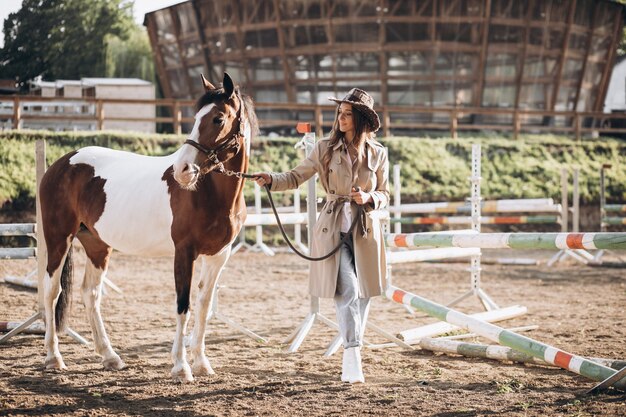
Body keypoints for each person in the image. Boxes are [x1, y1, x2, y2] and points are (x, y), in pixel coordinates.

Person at [252, 88, 389, 384]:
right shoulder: (324, 148)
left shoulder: (378, 154)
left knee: (364, 296)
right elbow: (295, 176)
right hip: (332, 230)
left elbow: (385, 194)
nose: (340, 118)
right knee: (348, 290)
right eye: (339, 113)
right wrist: (271, 179)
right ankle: (352, 354)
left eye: (347, 114)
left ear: (361, 119)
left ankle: (352, 343)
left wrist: (369, 197)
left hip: (366, 233)